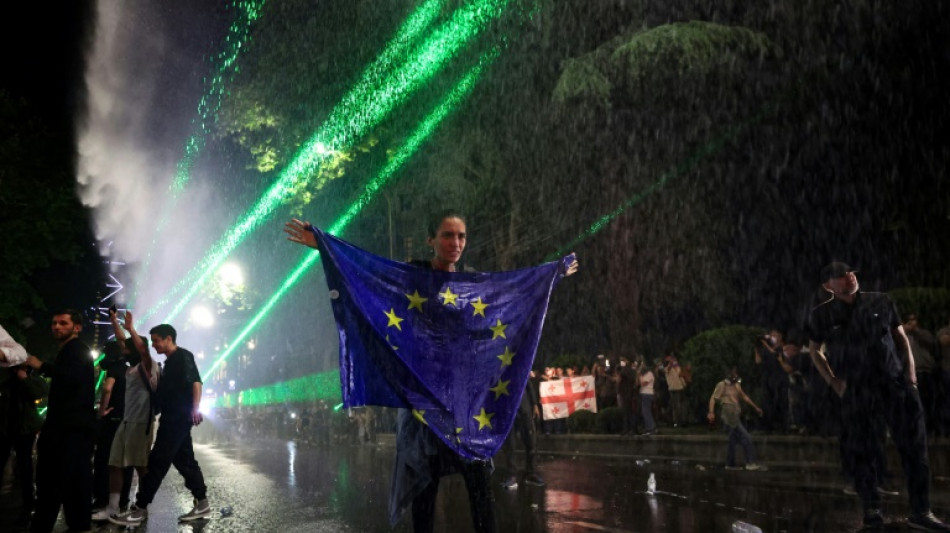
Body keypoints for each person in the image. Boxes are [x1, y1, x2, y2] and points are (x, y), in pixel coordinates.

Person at [284, 211, 578, 533]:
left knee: (479, 484)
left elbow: (510, 294)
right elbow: (367, 272)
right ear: (431, 240)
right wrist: (325, 247)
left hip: (464, 406)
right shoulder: (411, 278)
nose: (456, 243)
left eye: (461, 236)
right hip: (422, 403)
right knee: (424, 487)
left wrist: (552, 275)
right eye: (447, 235)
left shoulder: (471, 286)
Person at [806, 262, 950, 531]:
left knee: (915, 449)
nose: (848, 277)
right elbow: (815, 351)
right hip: (858, 390)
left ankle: (921, 511)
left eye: (850, 272)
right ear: (828, 286)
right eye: (840, 276)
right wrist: (834, 382)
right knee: (864, 450)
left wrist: (911, 376)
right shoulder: (822, 315)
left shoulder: (881, 302)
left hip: (895, 384)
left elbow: (900, 338)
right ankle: (871, 510)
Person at [110, 323, 210, 527]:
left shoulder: (183, 356)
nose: (154, 345)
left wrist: (195, 407)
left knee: (157, 461)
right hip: (172, 417)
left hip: (177, 418)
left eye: (156, 340)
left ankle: (140, 508)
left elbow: (196, 382)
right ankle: (202, 503)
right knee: (185, 461)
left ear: (168, 339)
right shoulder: (170, 361)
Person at [24, 309, 96, 533]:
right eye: (54, 323)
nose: (57, 327)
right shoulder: (73, 350)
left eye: (63, 323)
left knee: (51, 480)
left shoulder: (74, 350)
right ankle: (79, 523)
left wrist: (40, 365)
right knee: (76, 480)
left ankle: (42, 526)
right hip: (75, 427)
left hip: (66, 428)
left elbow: (70, 378)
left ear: (77, 327)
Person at [93, 310, 156, 522]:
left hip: (141, 422)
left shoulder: (148, 367)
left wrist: (130, 328)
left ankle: (142, 506)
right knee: (115, 464)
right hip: (127, 420)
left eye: (128, 348)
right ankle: (113, 507)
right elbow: (123, 342)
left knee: (141, 466)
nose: (123, 349)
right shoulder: (130, 367)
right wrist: (114, 321)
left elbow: (138, 348)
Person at [0, 362, 48, 527]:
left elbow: (39, 393)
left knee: (25, 463)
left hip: (24, 428)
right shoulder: (6, 379)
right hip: (6, 427)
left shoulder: (33, 379)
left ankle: (29, 499)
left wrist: (25, 379)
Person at [707, 366, 764, 471]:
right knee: (746, 438)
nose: (735, 375)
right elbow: (713, 398)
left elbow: (744, 397)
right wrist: (711, 412)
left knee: (732, 440)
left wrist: (755, 407)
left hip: (735, 412)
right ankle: (750, 462)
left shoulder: (737, 385)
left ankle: (730, 464)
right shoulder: (722, 385)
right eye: (733, 373)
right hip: (728, 414)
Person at [499, 369, 544, 489]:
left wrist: (534, 404)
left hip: (524, 408)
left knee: (531, 441)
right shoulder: (499, 363)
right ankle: (512, 475)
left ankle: (531, 473)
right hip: (507, 408)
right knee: (511, 444)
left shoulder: (520, 361)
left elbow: (527, 383)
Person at [903, 313, 939, 434]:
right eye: (908, 320)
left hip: (926, 372)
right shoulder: (905, 336)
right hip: (912, 374)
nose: (911, 323)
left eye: (913, 320)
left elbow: (931, 344)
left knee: (928, 402)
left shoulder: (924, 333)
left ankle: (931, 430)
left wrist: (915, 332)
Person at [754, 329, 788, 433]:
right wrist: (756, 349)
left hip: (779, 377)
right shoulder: (766, 349)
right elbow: (758, 361)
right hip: (767, 377)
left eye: (775, 335)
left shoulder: (781, 348)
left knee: (779, 401)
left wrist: (765, 344)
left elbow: (775, 354)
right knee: (767, 401)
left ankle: (781, 425)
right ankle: (767, 425)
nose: (773, 337)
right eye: (772, 334)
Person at [638, 363, 657, 435]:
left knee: (646, 411)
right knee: (645, 411)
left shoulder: (649, 374)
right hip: (643, 393)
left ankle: (651, 428)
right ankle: (648, 427)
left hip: (647, 394)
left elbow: (643, 383)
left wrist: (640, 376)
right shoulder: (644, 375)